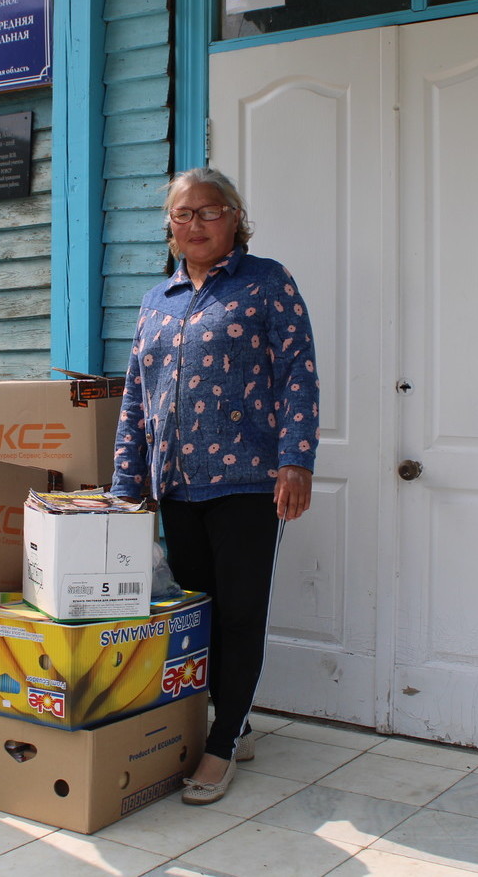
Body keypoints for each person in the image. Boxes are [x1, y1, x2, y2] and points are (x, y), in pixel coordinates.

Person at [110, 167, 319, 805]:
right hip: (177, 485)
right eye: (182, 215)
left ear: (234, 218)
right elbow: (135, 399)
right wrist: (126, 480)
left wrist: (296, 459)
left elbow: (298, 373)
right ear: (169, 228)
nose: (194, 225)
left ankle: (222, 743)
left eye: (208, 212)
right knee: (199, 616)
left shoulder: (266, 282)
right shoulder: (157, 301)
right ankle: (236, 719)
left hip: (249, 482)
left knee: (239, 612)